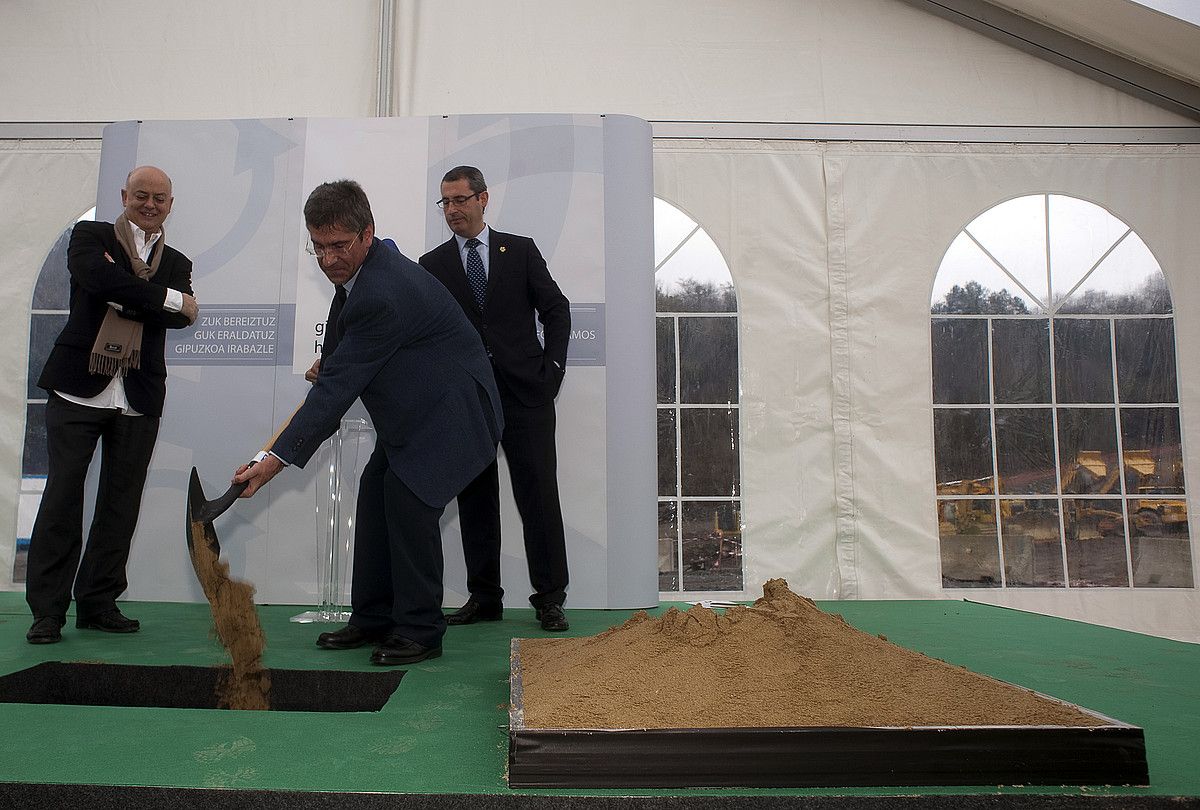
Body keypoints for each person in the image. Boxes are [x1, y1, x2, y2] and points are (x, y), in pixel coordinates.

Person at [234, 179, 502, 666]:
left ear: (366, 233)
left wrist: (272, 462)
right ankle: (374, 617)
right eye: (319, 247)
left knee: (408, 501)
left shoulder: (382, 289)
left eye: (339, 246)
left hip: (456, 414)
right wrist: (331, 359)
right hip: (418, 412)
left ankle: (421, 630)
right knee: (377, 492)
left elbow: (336, 392)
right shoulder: (363, 271)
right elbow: (342, 346)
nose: (329, 259)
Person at [25, 165, 200, 644]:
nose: (149, 204)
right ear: (125, 195)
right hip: (76, 387)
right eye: (140, 195)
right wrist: (162, 299)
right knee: (64, 496)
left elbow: (180, 317)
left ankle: (98, 602)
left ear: (170, 204)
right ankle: (47, 612)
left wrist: (129, 293)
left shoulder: (178, 260)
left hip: (138, 394)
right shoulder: (90, 234)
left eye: (159, 198)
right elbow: (95, 279)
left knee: (121, 503)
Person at [419, 166, 571, 632]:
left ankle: (550, 597)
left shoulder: (520, 250)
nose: (452, 210)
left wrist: (553, 371)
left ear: (484, 199)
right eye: (445, 202)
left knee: (538, 497)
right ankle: (485, 597)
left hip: (527, 393)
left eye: (460, 200)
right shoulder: (432, 265)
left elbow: (556, 309)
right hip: (468, 399)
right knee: (475, 499)